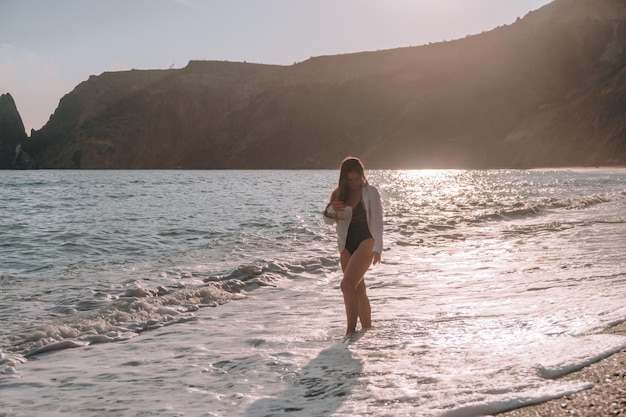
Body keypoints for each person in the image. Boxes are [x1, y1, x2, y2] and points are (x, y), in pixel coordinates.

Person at [323, 156, 383, 335]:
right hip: (345, 246)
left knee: (346, 285)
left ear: (362, 175)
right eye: (350, 180)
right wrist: (332, 208)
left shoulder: (370, 192)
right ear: (344, 179)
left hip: (366, 240)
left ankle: (349, 333)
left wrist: (378, 247)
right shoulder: (339, 194)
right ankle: (367, 330)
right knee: (358, 289)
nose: (354, 183)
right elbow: (327, 220)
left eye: (357, 178)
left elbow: (378, 222)